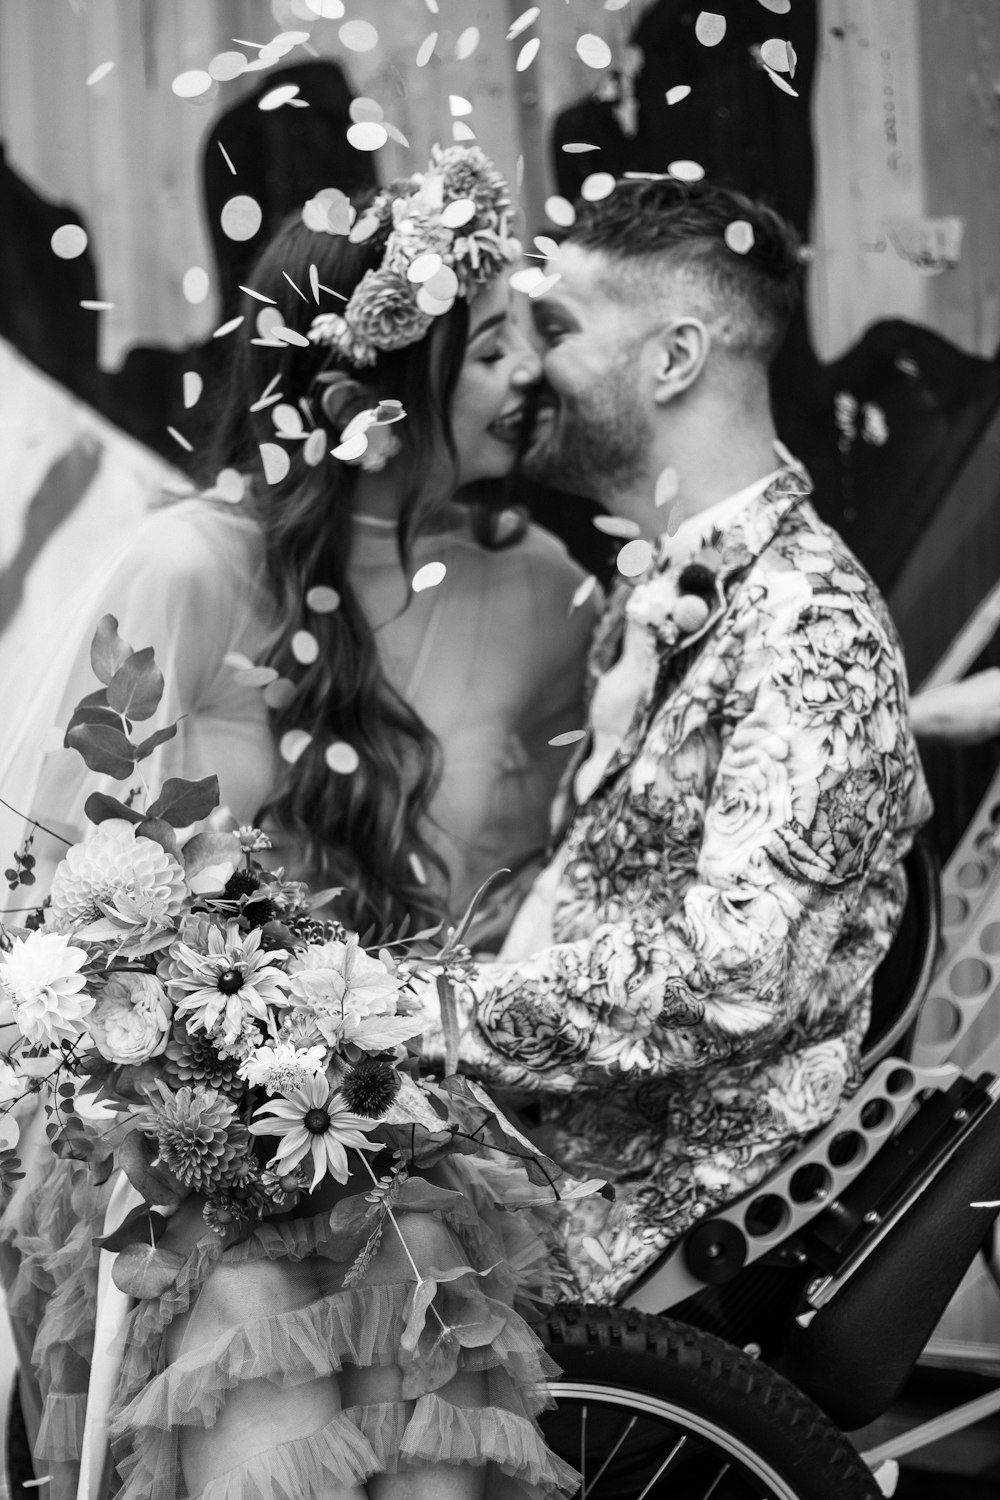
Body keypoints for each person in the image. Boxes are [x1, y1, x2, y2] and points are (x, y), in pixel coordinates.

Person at [0, 146, 596, 1500]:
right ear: (373, 380)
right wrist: (211, 1060)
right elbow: (48, 888)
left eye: (535, 342)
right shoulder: (190, 569)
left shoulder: (548, 595)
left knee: (432, 1315)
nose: (529, 377)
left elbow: (550, 878)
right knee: (248, 1323)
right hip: (168, 1108)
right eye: (491, 345)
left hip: (396, 1111)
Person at [414, 176, 933, 1304]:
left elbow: (735, 976)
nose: (527, 367)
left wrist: (430, 1015)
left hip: (633, 1223)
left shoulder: (813, 624)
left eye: (556, 330)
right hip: (529, 1159)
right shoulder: (656, 596)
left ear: (672, 359)